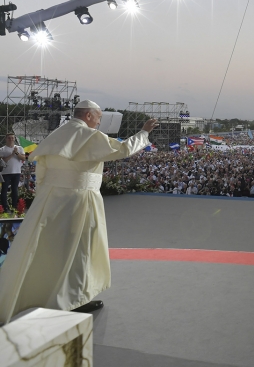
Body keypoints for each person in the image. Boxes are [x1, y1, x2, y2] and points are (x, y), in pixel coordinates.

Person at [0, 100, 158, 324]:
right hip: (79, 199)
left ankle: (43, 296)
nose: (99, 122)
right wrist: (144, 132)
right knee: (81, 248)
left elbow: (42, 171)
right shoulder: (87, 134)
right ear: (89, 116)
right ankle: (72, 299)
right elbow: (121, 149)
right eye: (99, 118)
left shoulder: (58, 133)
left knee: (48, 248)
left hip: (51, 200)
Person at [0, 133, 27, 212]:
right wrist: (12, 154)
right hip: (5, 173)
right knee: (4, 190)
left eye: (12, 138)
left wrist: (16, 153)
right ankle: (5, 207)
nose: (11, 139)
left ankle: (14, 206)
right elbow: (3, 160)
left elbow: (24, 158)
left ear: (14, 139)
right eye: (9, 138)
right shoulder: (2, 149)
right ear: (6, 139)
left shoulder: (19, 148)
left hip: (16, 172)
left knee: (15, 189)